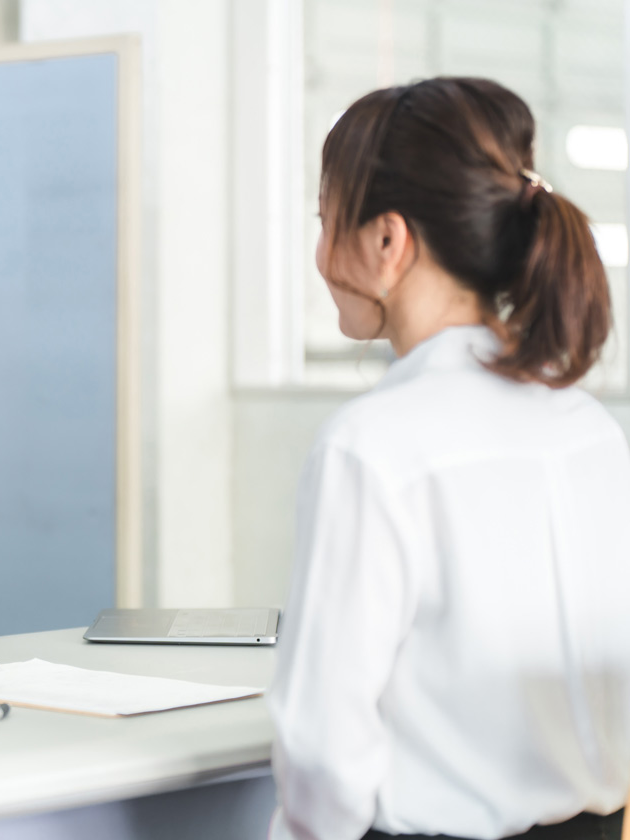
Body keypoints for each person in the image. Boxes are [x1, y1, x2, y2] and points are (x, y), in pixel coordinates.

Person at [268, 77, 630, 840]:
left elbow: (324, 753)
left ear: (388, 241)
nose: (320, 250)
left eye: (326, 218)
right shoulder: (591, 429)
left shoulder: (371, 446)